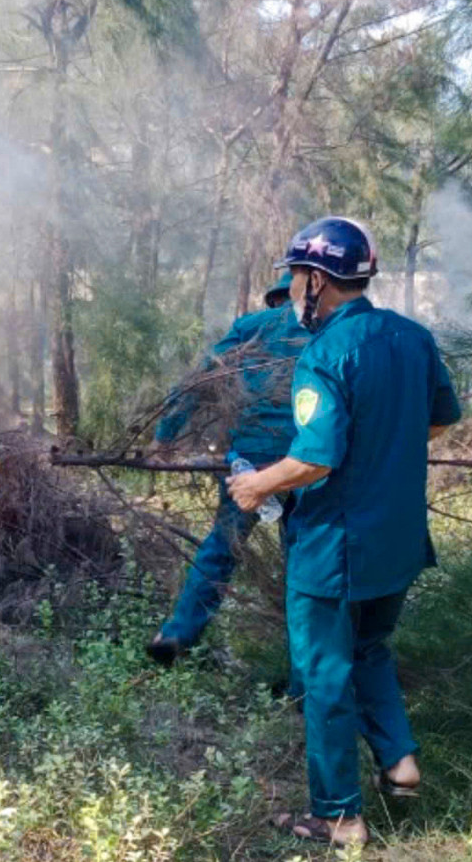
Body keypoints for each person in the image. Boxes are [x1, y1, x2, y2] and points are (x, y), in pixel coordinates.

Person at [227, 216, 461, 847]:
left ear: (317, 280)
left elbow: (316, 460)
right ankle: (400, 763)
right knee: (369, 649)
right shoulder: (414, 338)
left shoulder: (326, 354)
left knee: (324, 673)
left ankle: (337, 816)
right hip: (399, 538)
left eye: (297, 273)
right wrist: (383, 451)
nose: (293, 282)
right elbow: (439, 419)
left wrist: (256, 486)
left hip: (337, 544)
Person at [146, 272, 309, 666]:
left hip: (248, 462)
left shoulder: (250, 328)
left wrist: (164, 438)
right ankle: (304, 679)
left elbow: (197, 382)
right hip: (307, 462)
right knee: (304, 565)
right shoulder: (329, 333)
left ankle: (177, 634)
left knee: (222, 545)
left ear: (277, 298)